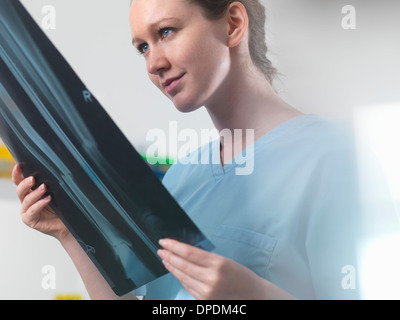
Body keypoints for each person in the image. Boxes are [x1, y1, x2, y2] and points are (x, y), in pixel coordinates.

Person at [11, 0, 398, 300]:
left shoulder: (334, 156)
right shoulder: (182, 175)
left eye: (166, 32)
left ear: (233, 24)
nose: (154, 63)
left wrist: (256, 295)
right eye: (142, 47)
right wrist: (69, 234)